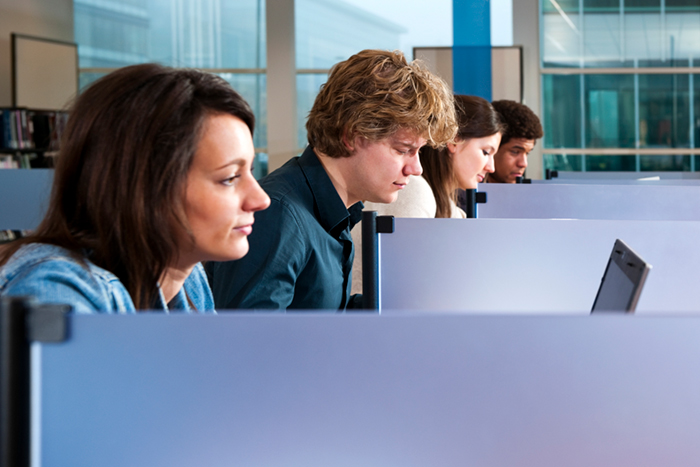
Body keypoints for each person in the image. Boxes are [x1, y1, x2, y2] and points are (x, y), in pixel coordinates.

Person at [0, 64, 270, 313]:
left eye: (250, 172)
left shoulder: (186, 274)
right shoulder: (57, 292)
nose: (261, 199)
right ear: (145, 188)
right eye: (230, 178)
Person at [206, 49, 457, 310]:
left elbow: (318, 313)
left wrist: (400, 304)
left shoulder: (334, 210)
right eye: (403, 150)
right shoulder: (279, 215)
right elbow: (248, 342)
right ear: (351, 136)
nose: (416, 168)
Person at [351, 95, 504, 294]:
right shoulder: (412, 190)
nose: (491, 167)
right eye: (485, 152)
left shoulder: (447, 206)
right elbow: (402, 290)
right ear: (454, 141)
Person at [486, 100, 543, 183]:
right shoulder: (465, 193)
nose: (523, 164)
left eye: (527, 153)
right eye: (515, 152)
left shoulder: (526, 193)